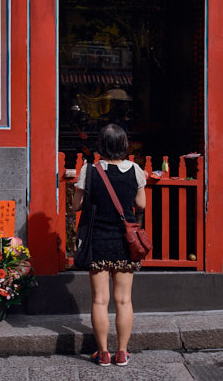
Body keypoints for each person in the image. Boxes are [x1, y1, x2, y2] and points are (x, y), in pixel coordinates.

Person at [72, 124, 147, 367]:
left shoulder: (89, 170)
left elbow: (76, 205)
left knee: (99, 301)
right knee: (124, 300)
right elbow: (141, 203)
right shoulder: (135, 170)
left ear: (101, 145)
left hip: (97, 241)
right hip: (125, 243)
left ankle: (103, 353)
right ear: (124, 145)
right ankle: (122, 353)